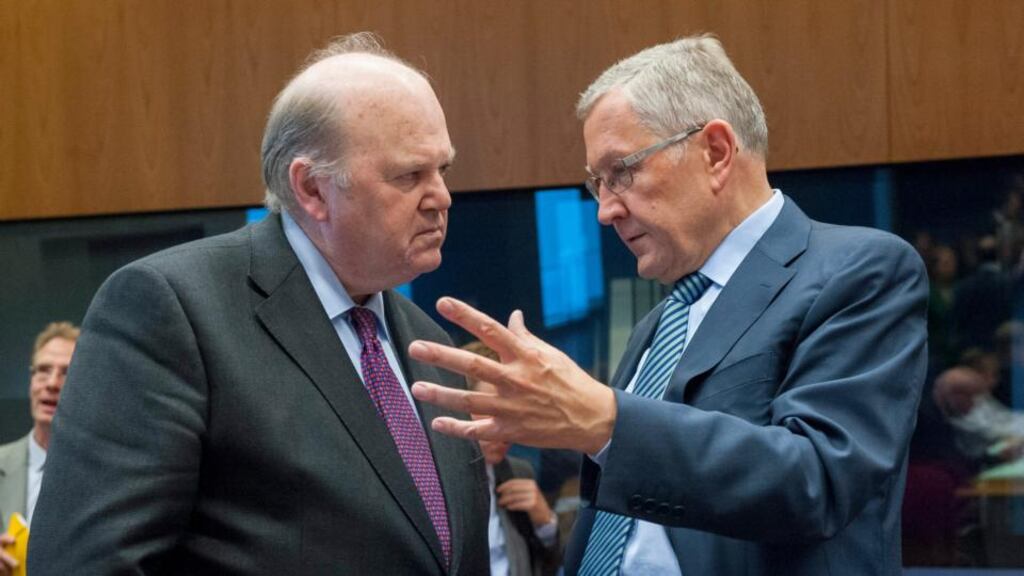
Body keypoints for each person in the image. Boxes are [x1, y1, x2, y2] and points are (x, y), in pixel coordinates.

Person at [408, 34, 928, 575]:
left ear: (716, 153)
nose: (605, 211)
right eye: (597, 184)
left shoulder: (860, 270)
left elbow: (819, 479)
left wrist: (604, 420)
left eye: (622, 172)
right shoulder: (661, 322)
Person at [27, 32, 488, 575]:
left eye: (444, 170)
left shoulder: (431, 347)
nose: (441, 198)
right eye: (410, 174)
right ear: (313, 189)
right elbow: (88, 564)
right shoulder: (175, 310)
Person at [462, 341, 560, 576]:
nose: (506, 428)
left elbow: (548, 563)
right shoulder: (430, 479)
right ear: (456, 406)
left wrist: (545, 522)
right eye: (492, 409)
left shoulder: (517, 471)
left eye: (513, 412)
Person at [0, 322, 78, 576]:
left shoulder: (107, 477)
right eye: (43, 370)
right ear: (31, 379)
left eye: (67, 372)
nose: (52, 383)